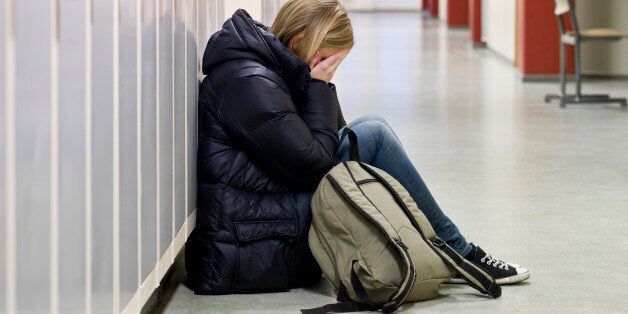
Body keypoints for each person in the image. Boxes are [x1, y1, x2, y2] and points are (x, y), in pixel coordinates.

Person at [186, 0, 529, 295]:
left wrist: (315, 85)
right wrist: (319, 86)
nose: (329, 70)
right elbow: (317, 163)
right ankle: (458, 252)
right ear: (303, 41)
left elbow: (330, 136)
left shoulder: (265, 70)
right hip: (247, 238)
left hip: (265, 210)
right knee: (373, 134)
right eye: (328, 60)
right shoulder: (251, 82)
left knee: (366, 130)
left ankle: (443, 249)